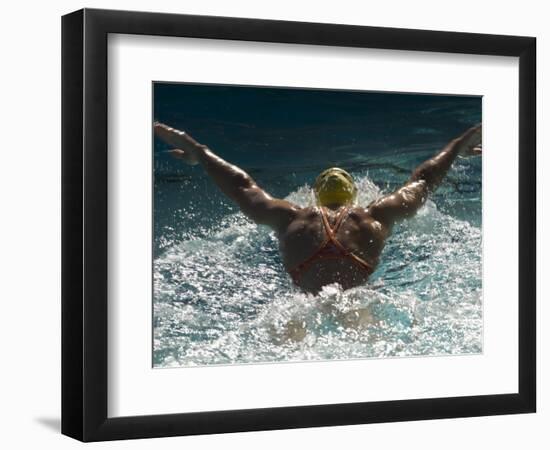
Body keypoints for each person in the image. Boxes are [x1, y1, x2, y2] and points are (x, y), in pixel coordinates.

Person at [154, 122, 481, 294]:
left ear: (315, 196)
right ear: (353, 195)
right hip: (357, 299)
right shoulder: (373, 217)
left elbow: (243, 187)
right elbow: (423, 180)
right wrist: (457, 146)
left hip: (302, 304)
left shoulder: (292, 218)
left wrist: (201, 152)